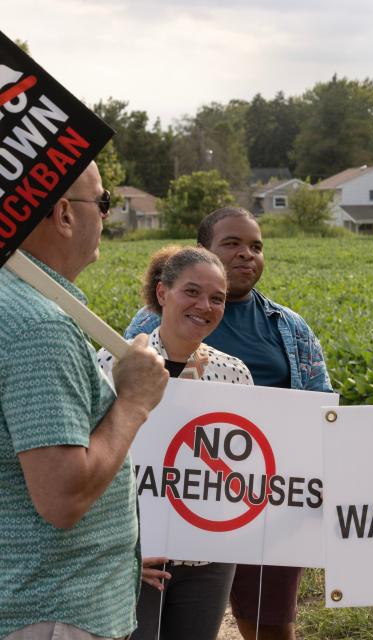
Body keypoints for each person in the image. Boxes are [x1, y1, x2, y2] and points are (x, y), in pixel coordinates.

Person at [124, 207, 333, 640]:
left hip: (266, 493)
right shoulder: (144, 331)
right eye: (232, 244)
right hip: (170, 505)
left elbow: (319, 404)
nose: (246, 255)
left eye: (256, 246)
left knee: (269, 617)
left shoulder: (287, 327)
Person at [0, 162, 169, 639]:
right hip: (54, 609)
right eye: (103, 202)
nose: (105, 216)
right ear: (64, 214)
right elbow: (62, 496)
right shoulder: (40, 326)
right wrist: (134, 401)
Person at [99, 246, 253, 640]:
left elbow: (249, 468)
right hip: (135, 559)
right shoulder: (113, 363)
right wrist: (123, 549)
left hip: (211, 559)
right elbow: (89, 460)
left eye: (217, 298)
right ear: (162, 293)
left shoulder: (234, 373)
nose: (205, 305)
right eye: (192, 291)